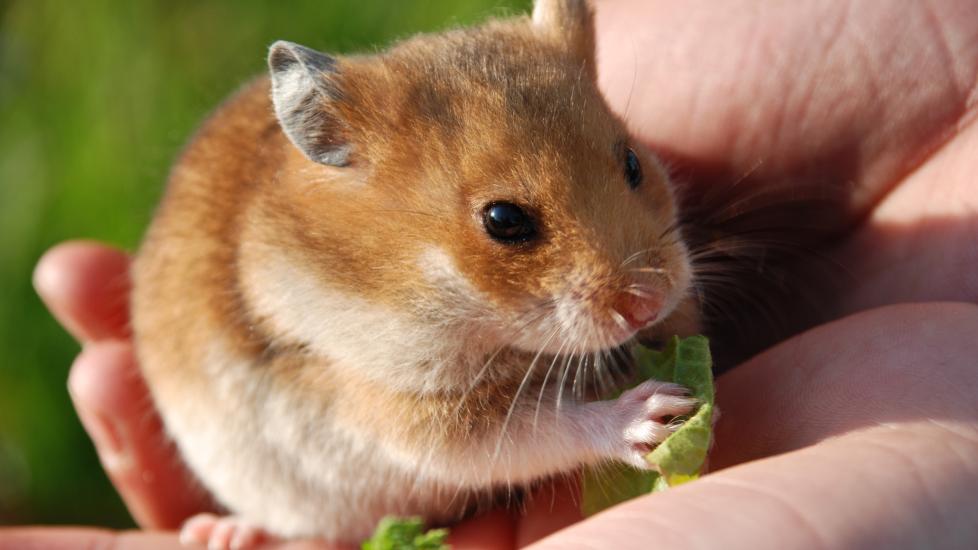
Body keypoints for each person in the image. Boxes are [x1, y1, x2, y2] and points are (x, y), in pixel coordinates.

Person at [8, 0, 978, 547]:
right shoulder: (358, 280)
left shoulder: (559, 90)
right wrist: (596, 425)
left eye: (631, 171)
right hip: (284, 440)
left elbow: (630, 255)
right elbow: (429, 430)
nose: (636, 286)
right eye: (512, 225)